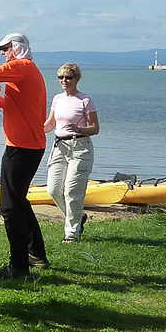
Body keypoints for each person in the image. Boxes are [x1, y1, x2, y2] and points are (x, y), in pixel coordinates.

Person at [0, 32, 49, 278]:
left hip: (22, 147)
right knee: (19, 201)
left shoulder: (22, 67)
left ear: (17, 48)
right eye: (1, 50)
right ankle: (35, 254)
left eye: (5, 49)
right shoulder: (26, 71)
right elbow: (13, 106)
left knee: (9, 207)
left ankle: (18, 267)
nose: (3, 53)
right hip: (26, 146)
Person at [43, 63, 100, 243]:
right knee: (53, 189)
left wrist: (79, 128)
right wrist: (32, 129)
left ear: (77, 79)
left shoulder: (85, 101)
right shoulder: (57, 99)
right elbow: (50, 124)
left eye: (68, 77)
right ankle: (78, 217)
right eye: (60, 77)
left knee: (72, 192)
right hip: (59, 147)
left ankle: (72, 234)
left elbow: (95, 128)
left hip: (80, 147)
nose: (64, 81)